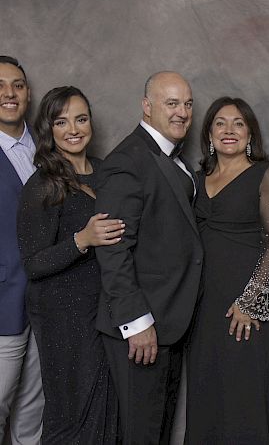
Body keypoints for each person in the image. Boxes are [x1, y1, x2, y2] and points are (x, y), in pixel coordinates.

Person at [95, 71, 203, 444]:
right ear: (147, 106)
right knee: (142, 433)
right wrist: (136, 322)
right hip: (142, 326)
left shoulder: (171, 157)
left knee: (158, 430)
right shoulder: (129, 161)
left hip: (169, 320)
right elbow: (113, 249)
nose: (182, 113)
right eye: (171, 103)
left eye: (187, 104)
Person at [17, 86, 120, 443]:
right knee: (71, 412)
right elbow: (32, 263)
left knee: (106, 406)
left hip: (104, 309)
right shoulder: (42, 185)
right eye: (62, 122)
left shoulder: (106, 173)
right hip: (63, 316)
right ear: (49, 129)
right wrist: (82, 240)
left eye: (81, 119)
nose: (73, 129)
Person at [185, 96, 269, 444]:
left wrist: (250, 301)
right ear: (209, 134)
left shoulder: (265, 174)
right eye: (220, 123)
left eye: (238, 124)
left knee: (243, 394)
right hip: (202, 306)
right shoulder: (196, 179)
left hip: (244, 306)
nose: (229, 130)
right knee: (207, 392)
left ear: (250, 134)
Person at [0, 55, 44, 445]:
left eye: (17, 85)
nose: (9, 94)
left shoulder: (51, 147)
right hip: (3, 304)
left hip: (50, 305)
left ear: (28, 93)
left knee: (34, 414)